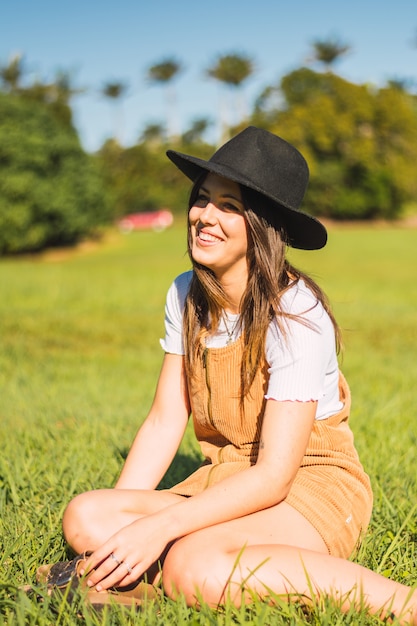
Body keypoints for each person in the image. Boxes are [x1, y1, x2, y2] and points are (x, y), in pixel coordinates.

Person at [61, 127, 416, 623]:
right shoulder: (185, 294)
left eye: (228, 206)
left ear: (262, 224)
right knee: (86, 516)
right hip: (229, 475)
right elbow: (166, 421)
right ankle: (179, 572)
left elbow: (274, 476)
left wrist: (159, 528)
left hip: (307, 485)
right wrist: (125, 533)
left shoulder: (296, 314)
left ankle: (402, 604)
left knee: (191, 564)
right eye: (202, 199)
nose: (204, 216)